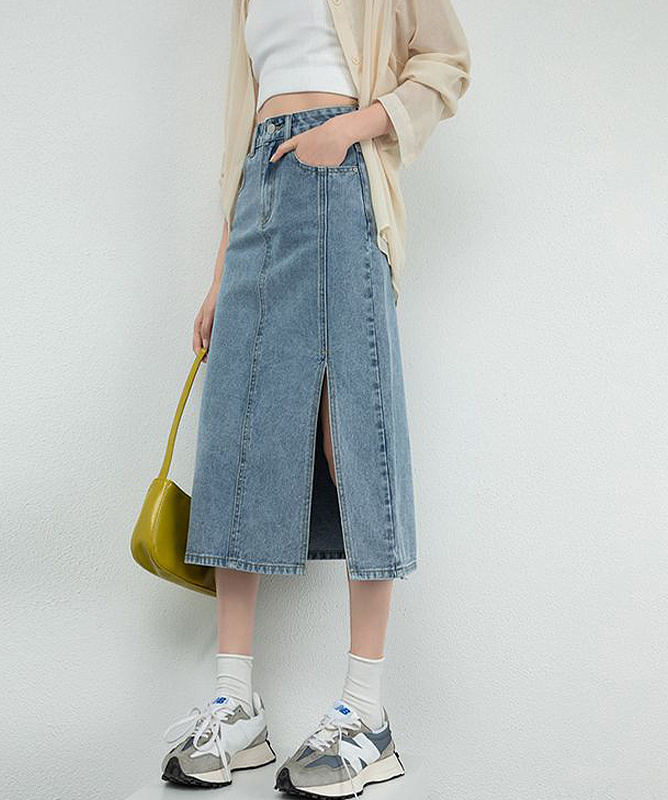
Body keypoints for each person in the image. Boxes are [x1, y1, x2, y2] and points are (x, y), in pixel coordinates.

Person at [160, 0, 470, 796]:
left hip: (341, 184)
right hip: (258, 196)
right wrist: (221, 271)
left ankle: (366, 712)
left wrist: (352, 129)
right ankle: (236, 703)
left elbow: (445, 64)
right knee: (237, 438)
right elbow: (243, 136)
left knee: (353, 434)